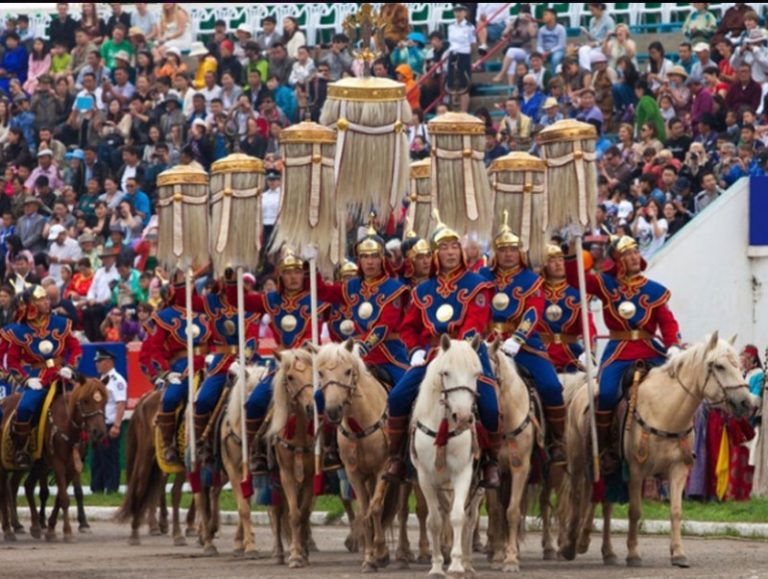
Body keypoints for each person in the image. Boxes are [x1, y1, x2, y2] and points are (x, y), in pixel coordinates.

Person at [385, 217, 501, 488]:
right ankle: (397, 457)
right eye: (443, 248)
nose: (449, 252)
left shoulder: (477, 285)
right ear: (435, 254)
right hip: (431, 354)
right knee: (398, 396)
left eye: (453, 247)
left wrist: (455, 352)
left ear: (460, 251)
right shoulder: (423, 290)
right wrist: (414, 350)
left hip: (469, 353)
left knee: (490, 405)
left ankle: (491, 461)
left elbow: (474, 324)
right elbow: (407, 326)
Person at [565, 236, 681, 474]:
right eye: (627, 254)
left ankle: (680, 443)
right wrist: (574, 253)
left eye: (635, 252)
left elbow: (667, 322)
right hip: (619, 349)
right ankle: (606, 448)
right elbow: (576, 279)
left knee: (678, 385)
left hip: (650, 349)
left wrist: (673, 345)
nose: (633, 257)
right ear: (617, 261)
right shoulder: (606, 284)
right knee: (606, 393)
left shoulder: (654, 290)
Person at [480, 218, 567, 466]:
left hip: (523, 345)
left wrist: (517, 338)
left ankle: (556, 441)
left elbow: (533, 312)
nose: (508, 255)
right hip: (487, 343)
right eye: (503, 250)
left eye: (513, 249)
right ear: (495, 253)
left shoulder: (532, 280)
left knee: (550, 386)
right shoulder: (482, 276)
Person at [240, 249, 330, 474]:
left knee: (333, 400)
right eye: (288, 272)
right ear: (280, 276)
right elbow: (239, 300)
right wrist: (233, 278)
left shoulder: (318, 297)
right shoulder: (272, 299)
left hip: (311, 362)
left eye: (298, 272)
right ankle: (256, 451)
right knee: (255, 402)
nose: (293, 277)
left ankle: (331, 449)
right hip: (282, 363)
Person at [6, 285, 82, 468]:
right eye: (41, 299)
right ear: (31, 304)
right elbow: (13, 362)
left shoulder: (61, 323)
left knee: (84, 402)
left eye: (47, 298)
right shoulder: (20, 330)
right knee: (24, 407)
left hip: (61, 373)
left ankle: (79, 446)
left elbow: (75, 347)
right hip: (36, 377)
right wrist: (25, 380)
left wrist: (70, 367)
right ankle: (21, 449)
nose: (46, 302)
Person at [188, 275, 260, 466]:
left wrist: (243, 358)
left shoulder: (250, 302)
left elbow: (252, 337)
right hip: (220, 361)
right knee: (203, 400)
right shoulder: (211, 302)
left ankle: (260, 445)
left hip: (247, 361)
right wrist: (189, 278)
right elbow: (188, 301)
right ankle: (201, 444)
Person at [139, 275, 211, 466]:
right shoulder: (164, 316)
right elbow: (154, 349)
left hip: (209, 362)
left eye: (189, 286)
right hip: (180, 365)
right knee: (171, 398)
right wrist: (166, 372)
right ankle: (168, 444)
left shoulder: (206, 314)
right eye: (181, 286)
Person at [540, 244, 594, 373]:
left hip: (571, 353)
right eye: (552, 260)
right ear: (545, 265)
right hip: (541, 353)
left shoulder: (578, 291)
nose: (558, 264)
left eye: (560, 259)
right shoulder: (535, 291)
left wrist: (589, 350)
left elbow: (588, 326)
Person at [90, 348, 126, 494]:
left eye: (100, 361)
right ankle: (97, 488)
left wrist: (116, 425)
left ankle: (111, 487)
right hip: (99, 425)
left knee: (109, 457)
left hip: (110, 424)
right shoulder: (100, 380)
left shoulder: (117, 381)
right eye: (96, 361)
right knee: (97, 458)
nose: (97, 364)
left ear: (109, 362)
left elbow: (121, 404)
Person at [446, 4, 476, 113]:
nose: (458, 13)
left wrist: (471, 58)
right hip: (453, 54)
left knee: (464, 84)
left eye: (460, 11)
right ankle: (453, 110)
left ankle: (464, 111)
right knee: (451, 83)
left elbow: (473, 44)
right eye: (456, 11)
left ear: (465, 12)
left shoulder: (469, 27)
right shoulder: (450, 26)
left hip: (464, 54)